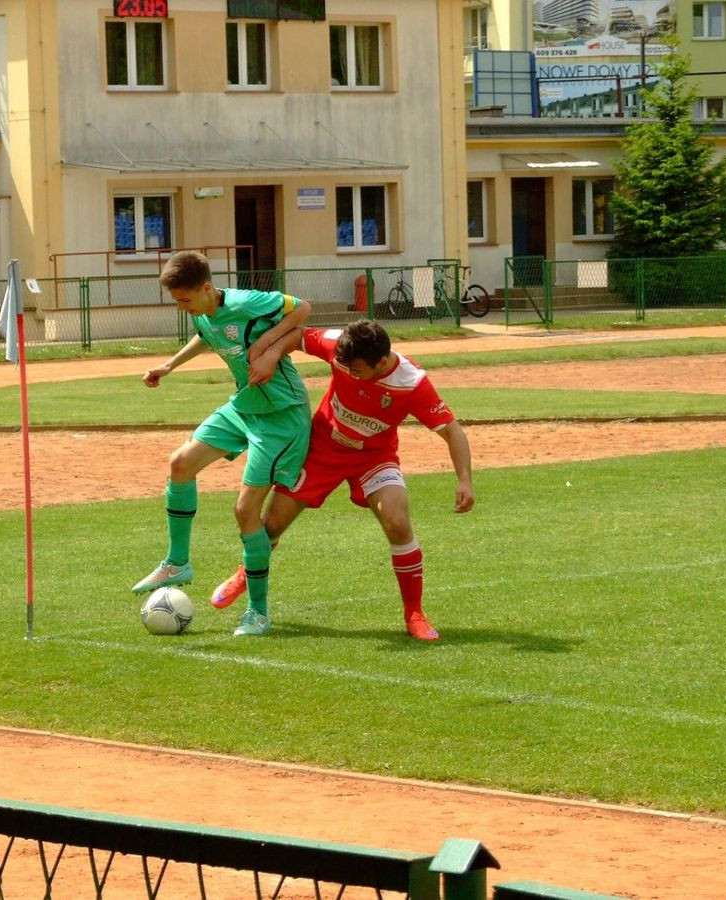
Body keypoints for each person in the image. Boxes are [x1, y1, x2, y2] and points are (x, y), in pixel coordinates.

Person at [211, 319, 474, 640]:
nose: (349, 374)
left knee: (397, 520)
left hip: (373, 458)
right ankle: (246, 572)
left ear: (381, 362)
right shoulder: (340, 344)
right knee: (272, 525)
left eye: (358, 370)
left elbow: (451, 429)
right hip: (321, 449)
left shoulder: (412, 383)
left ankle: (414, 613)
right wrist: (271, 355)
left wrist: (464, 481)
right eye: (344, 367)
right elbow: (297, 336)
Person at [132, 250, 313, 637]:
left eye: (185, 300)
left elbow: (302, 308)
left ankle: (259, 613)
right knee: (180, 463)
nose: (182, 308)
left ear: (207, 288)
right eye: (176, 301)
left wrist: (267, 344)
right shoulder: (202, 310)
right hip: (245, 405)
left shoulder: (247, 301)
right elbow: (204, 333)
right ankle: (177, 562)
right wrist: (169, 366)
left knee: (245, 511)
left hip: (281, 416)